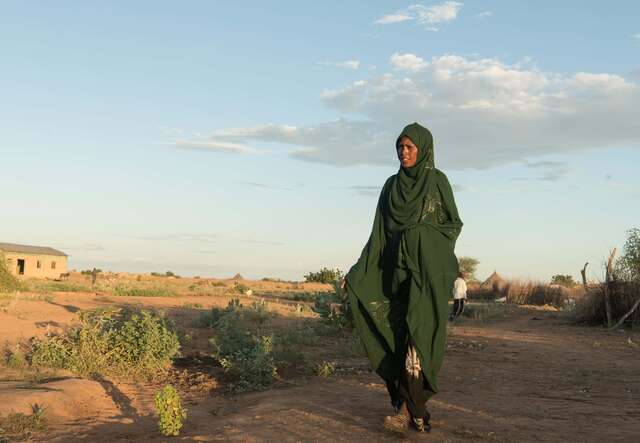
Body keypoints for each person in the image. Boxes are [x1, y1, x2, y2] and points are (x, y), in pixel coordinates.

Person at [343, 122, 462, 435]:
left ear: (423, 149)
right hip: (393, 275)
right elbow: (378, 235)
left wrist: (421, 235)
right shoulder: (390, 186)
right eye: (400, 147)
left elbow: (452, 226)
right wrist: (358, 270)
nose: (403, 153)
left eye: (409, 147)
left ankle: (411, 410)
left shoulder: (437, 182)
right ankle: (412, 411)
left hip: (425, 275)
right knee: (397, 340)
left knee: (417, 340)